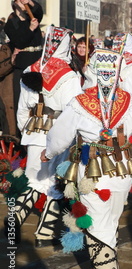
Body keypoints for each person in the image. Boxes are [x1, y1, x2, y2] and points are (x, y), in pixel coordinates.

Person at [42, 48, 132, 269]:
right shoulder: (128, 101)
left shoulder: (80, 102)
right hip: (122, 172)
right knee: (109, 223)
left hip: (92, 174)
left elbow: (60, 136)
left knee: (99, 229)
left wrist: (48, 152)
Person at [7, 27, 82, 247]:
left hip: (34, 131)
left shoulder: (31, 68)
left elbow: (22, 108)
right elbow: (73, 110)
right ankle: (44, 234)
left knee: (33, 180)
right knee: (53, 184)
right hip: (57, 132)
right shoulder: (69, 75)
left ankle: (16, 216)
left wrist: (26, 131)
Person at [4, 0, 43, 122]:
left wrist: (30, 2)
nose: (23, 2)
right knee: (22, 100)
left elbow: (39, 11)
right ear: (14, 5)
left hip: (37, 61)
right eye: (20, 1)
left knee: (38, 98)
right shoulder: (11, 23)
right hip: (23, 63)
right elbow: (19, 41)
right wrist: (31, 29)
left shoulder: (31, 17)